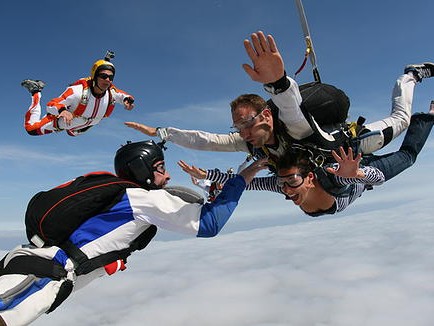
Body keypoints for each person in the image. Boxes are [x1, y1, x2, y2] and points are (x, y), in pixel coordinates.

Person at [0, 140, 266, 326]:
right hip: (42, 274)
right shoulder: (141, 199)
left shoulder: (129, 198)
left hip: (36, 266)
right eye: (161, 167)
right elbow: (209, 225)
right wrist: (241, 179)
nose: (168, 175)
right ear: (142, 168)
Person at [125, 31, 434, 169]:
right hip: (334, 162)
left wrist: (277, 81)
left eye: (246, 122)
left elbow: (291, 105)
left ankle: (409, 76)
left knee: (402, 120)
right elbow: (206, 140)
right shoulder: (250, 142)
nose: (242, 132)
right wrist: (164, 134)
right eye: (237, 125)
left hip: (355, 144)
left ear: (266, 117)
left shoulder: (293, 126)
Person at [178, 103, 434, 216]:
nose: (286, 190)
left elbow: (377, 178)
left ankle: (418, 106)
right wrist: (208, 176)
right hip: (354, 174)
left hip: (351, 169)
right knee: (407, 158)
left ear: (310, 178)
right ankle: (429, 116)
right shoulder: (287, 182)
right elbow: (247, 182)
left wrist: (356, 173)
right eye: (285, 182)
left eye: (289, 182)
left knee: (405, 152)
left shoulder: (329, 175)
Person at [21, 51, 135, 136]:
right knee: (31, 129)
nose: (107, 80)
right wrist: (62, 111)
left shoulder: (111, 92)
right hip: (59, 121)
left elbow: (122, 95)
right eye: (103, 76)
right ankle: (36, 91)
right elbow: (51, 104)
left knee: (72, 134)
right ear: (94, 77)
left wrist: (128, 100)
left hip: (80, 127)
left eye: (111, 77)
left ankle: (76, 128)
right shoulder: (77, 91)